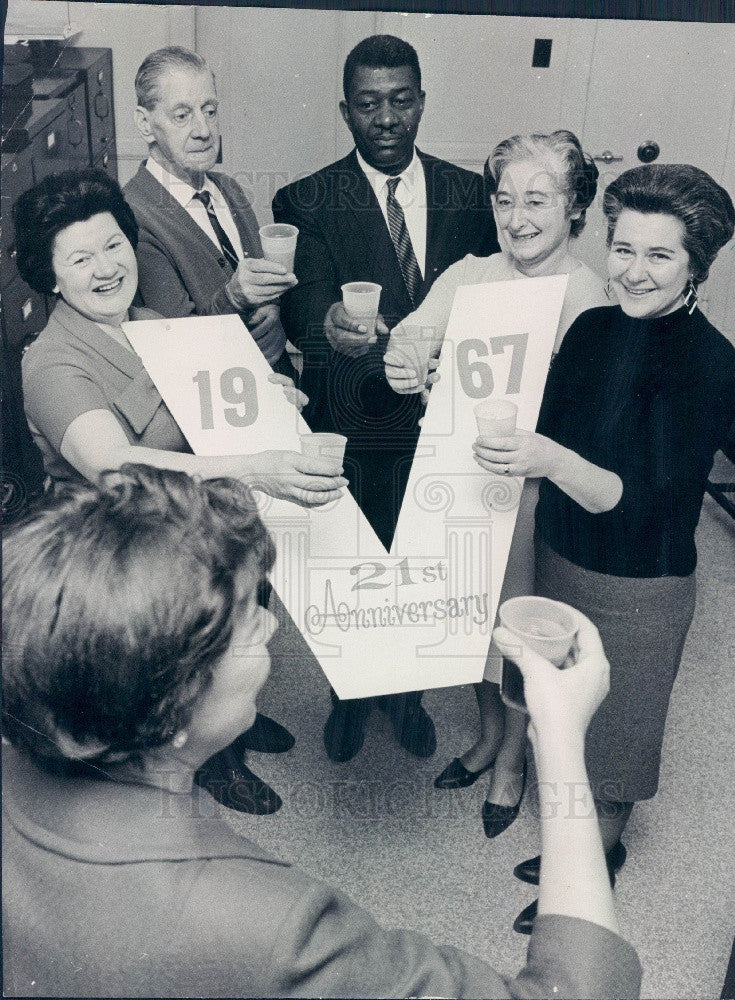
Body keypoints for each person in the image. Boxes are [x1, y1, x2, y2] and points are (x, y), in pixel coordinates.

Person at [1, 464, 643, 998]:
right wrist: (559, 739)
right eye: (247, 624)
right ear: (167, 709)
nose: (272, 627)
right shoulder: (267, 925)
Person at [14, 167, 348, 817]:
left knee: (227, 633)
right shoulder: (52, 360)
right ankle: (214, 764)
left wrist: (260, 393)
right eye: (80, 258)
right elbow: (113, 465)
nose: (105, 267)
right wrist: (259, 463)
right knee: (185, 661)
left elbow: (200, 400)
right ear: (50, 276)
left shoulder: (149, 320)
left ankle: (236, 731)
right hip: (123, 552)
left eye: (113, 245)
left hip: (188, 521)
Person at [469, 163, 735, 933]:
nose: (632, 271)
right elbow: (547, 420)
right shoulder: (591, 327)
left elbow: (643, 501)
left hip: (638, 584)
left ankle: (591, 869)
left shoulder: (708, 362)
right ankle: (573, 848)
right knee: (561, 719)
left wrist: (548, 460)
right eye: (622, 249)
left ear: (696, 264)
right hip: (561, 556)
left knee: (614, 743)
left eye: (659, 256)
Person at [273, 34, 499, 763]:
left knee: (425, 566)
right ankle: (348, 697)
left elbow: (491, 297)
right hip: (351, 417)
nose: (387, 118)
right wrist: (333, 329)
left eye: (401, 100)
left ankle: (407, 700)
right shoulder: (306, 198)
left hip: (440, 420)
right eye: (369, 104)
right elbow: (304, 310)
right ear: (346, 112)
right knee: (355, 569)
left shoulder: (471, 194)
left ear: (421, 102)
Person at [385, 130, 605, 839]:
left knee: (519, 634)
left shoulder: (588, 297)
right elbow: (412, 336)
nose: (517, 218)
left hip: (535, 497)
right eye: (504, 199)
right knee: (472, 624)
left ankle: (510, 761)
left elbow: (598, 421)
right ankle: (485, 737)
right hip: (463, 481)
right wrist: (404, 361)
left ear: (574, 208)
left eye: (537, 200)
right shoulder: (469, 275)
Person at [123, 47, 299, 381]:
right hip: (212, 403)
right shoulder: (133, 215)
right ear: (145, 124)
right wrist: (234, 296)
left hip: (277, 388)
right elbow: (177, 342)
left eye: (210, 110)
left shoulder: (228, 189)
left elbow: (264, 289)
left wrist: (272, 308)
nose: (204, 130)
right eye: (182, 115)